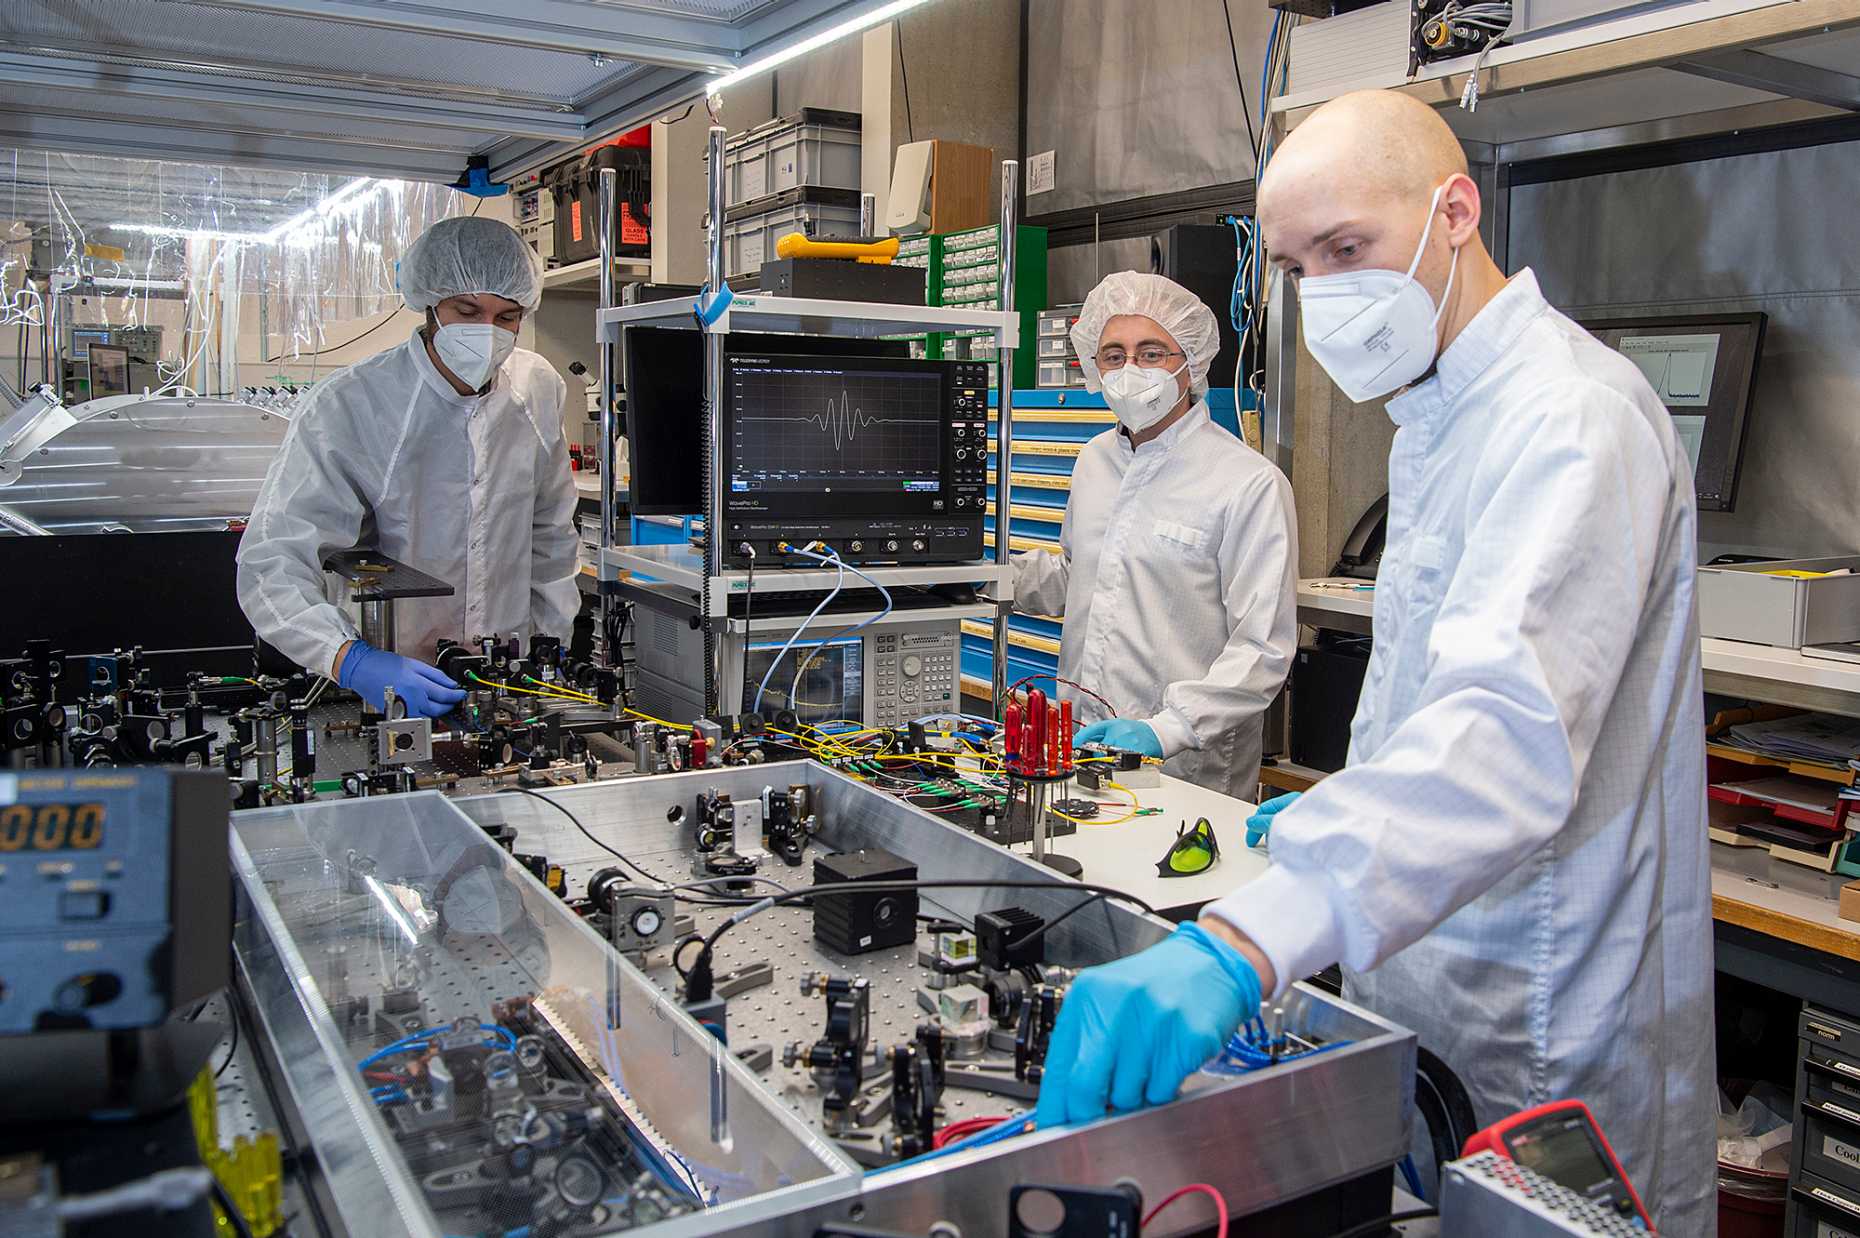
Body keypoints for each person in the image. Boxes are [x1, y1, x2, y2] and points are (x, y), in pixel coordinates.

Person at [1034, 90, 1715, 1234]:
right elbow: (1427, 701)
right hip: (1421, 969)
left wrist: (1253, 937)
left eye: (1349, 248)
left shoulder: (1568, 417)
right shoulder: (1444, 419)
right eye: (1300, 268)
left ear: (1457, 211)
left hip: (1541, 1004)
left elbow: (1503, 731)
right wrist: (1332, 818)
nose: (1328, 295)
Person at [237, 216, 581, 718]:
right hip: (388, 684)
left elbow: (550, 538)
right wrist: (351, 660)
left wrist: (552, 653)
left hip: (506, 682)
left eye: (507, 317)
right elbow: (272, 561)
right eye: (467, 310)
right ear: (429, 304)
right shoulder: (354, 404)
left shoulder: (538, 389)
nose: (486, 332)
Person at [1009, 272, 1296, 798]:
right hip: (1083, 745)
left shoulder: (1247, 483)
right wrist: (983, 577)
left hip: (1187, 766)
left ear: (1189, 362)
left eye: (1152, 353)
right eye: (1114, 356)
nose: (1130, 370)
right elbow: (1085, 579)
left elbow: (1262, 647)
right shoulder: (1094, 461)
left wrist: (1166, 730)